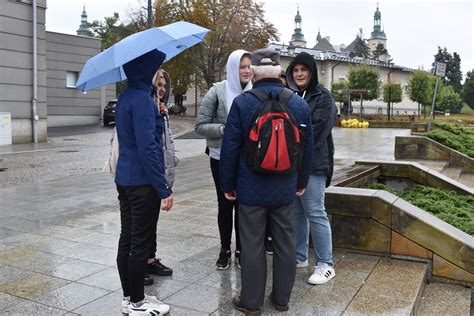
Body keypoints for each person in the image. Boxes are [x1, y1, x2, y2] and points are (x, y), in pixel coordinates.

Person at [220, 48, 313, 314]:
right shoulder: (297, 103)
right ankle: (281, 300)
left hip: (250, 189)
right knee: (285, 244)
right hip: (285, 187)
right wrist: (301, 182)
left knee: (251, 245)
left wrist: (228, 185)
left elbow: (231, 148)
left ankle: (251, 303)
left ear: (255, 73)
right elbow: (307, 150)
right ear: (280, 72)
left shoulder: (243, 103)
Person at [115, 49, 173, 316]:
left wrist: (158, 116)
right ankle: (138, 303)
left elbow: (139, 137)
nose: (157, 75)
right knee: (140, 242)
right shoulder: (142, 99)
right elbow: (149, 148)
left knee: (127, 239)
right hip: (142, 183)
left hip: (124, 179)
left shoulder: (127, 96)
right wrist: (163, 189)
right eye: (155, 70)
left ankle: (129, 297)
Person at [195, 49, 252, 270]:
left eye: (249, 66)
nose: (247, 71)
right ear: (232, 68)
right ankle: (224, 249)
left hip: (247, 159)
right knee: (225, 204)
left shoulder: (254, 92)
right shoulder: (217, 91)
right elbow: (200, 126)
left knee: (243, 205)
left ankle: (241, 250)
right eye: (242, 66)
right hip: (220, 157)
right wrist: (223, 129)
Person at [286, 51, 337, 285]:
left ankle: (326, 264)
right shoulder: (292, 95)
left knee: (315, 212)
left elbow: (316, 133)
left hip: (315, 164)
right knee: (297, 212)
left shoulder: (323, 98)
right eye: (295, 70)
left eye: (303, 70)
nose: (299, 74)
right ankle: (299, 257)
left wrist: (290, 143)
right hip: (294, 164)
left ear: (311, 72)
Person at [144, 69, 176, 278]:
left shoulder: (160, 109)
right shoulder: (147, 108)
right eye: (158, 85)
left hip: (160, 171)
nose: (162, 89)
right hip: (147, 175)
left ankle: (150, 259)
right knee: (143, 222)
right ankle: (141, 264)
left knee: (152, 219)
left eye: (164, 85)